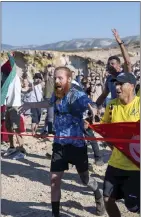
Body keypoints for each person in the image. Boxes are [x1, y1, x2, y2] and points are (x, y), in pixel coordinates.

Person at [19, 66, 105, 217]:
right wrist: (29, 105)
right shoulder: (56, 94)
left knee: (85, 179)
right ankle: (55, 214)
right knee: (54, 180)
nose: (57, 80)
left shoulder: (76, 94)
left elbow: (89, 103)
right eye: (55, 78)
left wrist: (93, 110)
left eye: (60, 78)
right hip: (59, 144)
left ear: (69, 79)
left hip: (77, 145)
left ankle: (98, 194)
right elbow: (48, 103)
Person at [101, 72, 140, 216]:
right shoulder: (111, 106)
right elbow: (105, 129)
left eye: (121, 84)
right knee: (107, 198)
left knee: (133, 206)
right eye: (115, 83)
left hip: (137, 166)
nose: (117, 87)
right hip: (116, 162)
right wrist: (90, 125)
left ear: (132, 86)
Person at [96, 29, 132, 108]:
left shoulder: (125, 75)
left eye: (112, 63)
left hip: (129, 110)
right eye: (108, 64)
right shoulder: (109, 79)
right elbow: (104, 95)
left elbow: (128, 62)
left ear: (119, 65)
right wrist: (95, 105)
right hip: (115, 111)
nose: (110, 65)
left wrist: (120, 43)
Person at [2, 54, 26, 159]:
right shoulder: (8, 80)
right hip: (9, 105)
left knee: (17, 129)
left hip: (16, 106)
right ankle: (12, 147)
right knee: (8, 127)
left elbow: (12, 65)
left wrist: (11, 57)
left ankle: (21, 150)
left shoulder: (14, 77)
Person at [41, 65, 55, 135]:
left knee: (50, 115)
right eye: (51, 70)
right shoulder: (47, 77)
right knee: (50, 116)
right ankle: (49, 130)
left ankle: (45, 130)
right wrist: (47, 70)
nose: (52, 71)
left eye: (53, 70)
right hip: (49, 98)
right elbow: (45, 76)